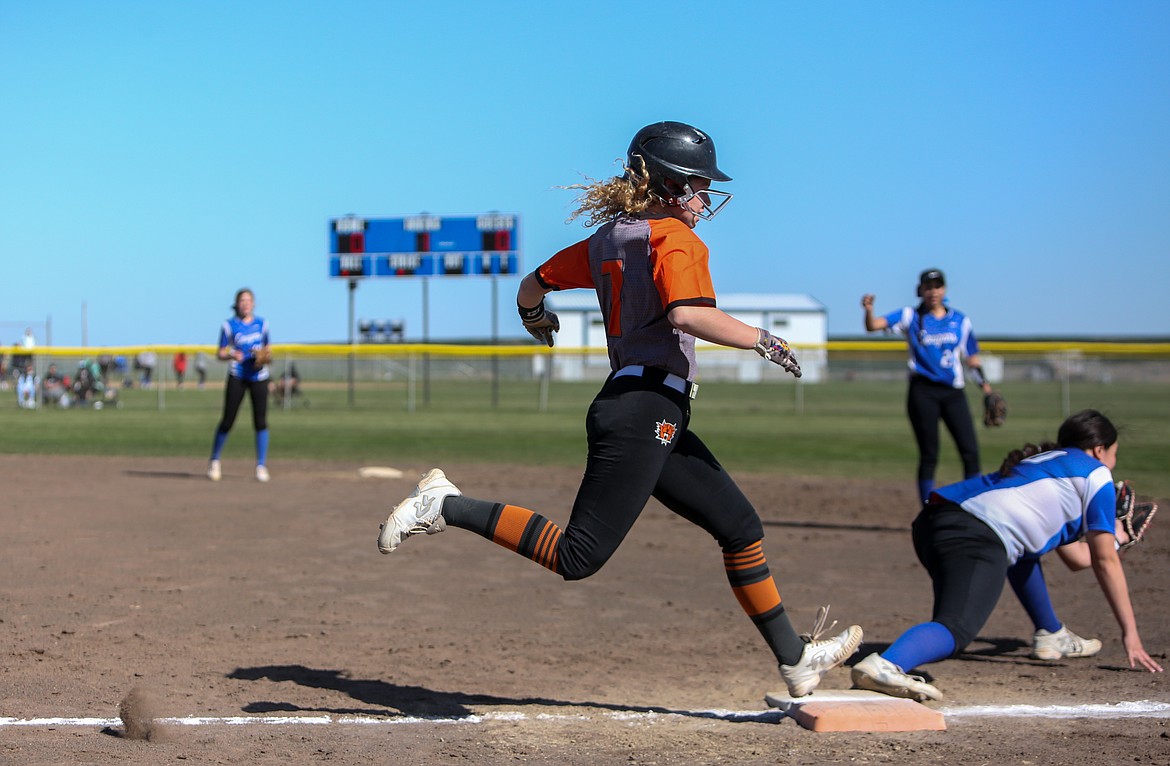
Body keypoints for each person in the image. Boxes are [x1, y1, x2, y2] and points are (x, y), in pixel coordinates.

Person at [376, 121, 863, 699]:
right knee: (576, 555)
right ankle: (445, 505)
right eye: (699, 185)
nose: (706, 198)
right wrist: (764, 339)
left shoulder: (612, 237)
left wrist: (535, 319)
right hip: (643, 410)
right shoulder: (676, 239)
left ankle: (795, 659)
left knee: (739, 527)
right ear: (668, 183)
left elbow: (532, 285)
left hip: (648, 408)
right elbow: (688, 314)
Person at [851, 410, 1163, 702]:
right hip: (975, 535)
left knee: (1023, 553)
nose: (1112, 464)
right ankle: (886, 665)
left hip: (934, 521)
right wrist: (1131, 634)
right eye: (1114, 455)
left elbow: (1077, 558)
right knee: (956, 628)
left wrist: (1116, 540)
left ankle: (1051, 633)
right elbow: (1103, 561)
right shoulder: (1097, 475)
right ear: (1099, 450)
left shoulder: (1045, 464)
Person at [862, 270, 996, 504]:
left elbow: (971, 358)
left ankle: (974, 506)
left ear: (944, 289)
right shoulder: (910, 316)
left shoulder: (960, 321)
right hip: (923, 392)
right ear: (920, 290)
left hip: (953, 392)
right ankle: (927, 511)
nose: (933, 291)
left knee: (970, 451)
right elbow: (873, 326)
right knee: (929, 454)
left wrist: (986, 388)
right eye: (928, 287)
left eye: (937, 286)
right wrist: (869, 310)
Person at [207, 288, 271, 483]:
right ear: (237, 304)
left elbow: (267, 349)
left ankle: (261, 465)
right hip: (238, 375)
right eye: (242, 300)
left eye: (248, 300)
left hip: (258, 376)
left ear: (253, 303)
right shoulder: (229, 325)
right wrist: (231, 354)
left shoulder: (262, 324)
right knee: (228, 419)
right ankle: (215, 460)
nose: (245, 304)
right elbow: (220, 353)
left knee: (260, 421)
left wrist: (263, 356)